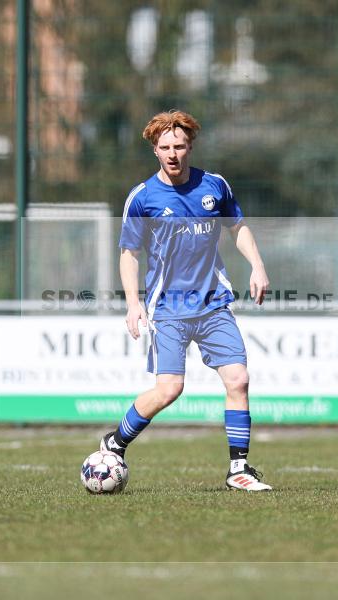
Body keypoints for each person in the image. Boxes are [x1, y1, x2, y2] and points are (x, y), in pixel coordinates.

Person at [99, 110, 273, 491]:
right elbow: (128, 253)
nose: (173, 153)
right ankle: (115, 442)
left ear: (190, 145)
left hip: (212, 303)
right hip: (169, 310)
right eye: (165, 147)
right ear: (155, 150)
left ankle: (238, 469)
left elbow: (237, 226)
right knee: (169, 390)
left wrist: (257, 266)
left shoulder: (214, 186)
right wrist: (133, 303)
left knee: (238, 378)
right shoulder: (143, 198)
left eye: (179, 146)